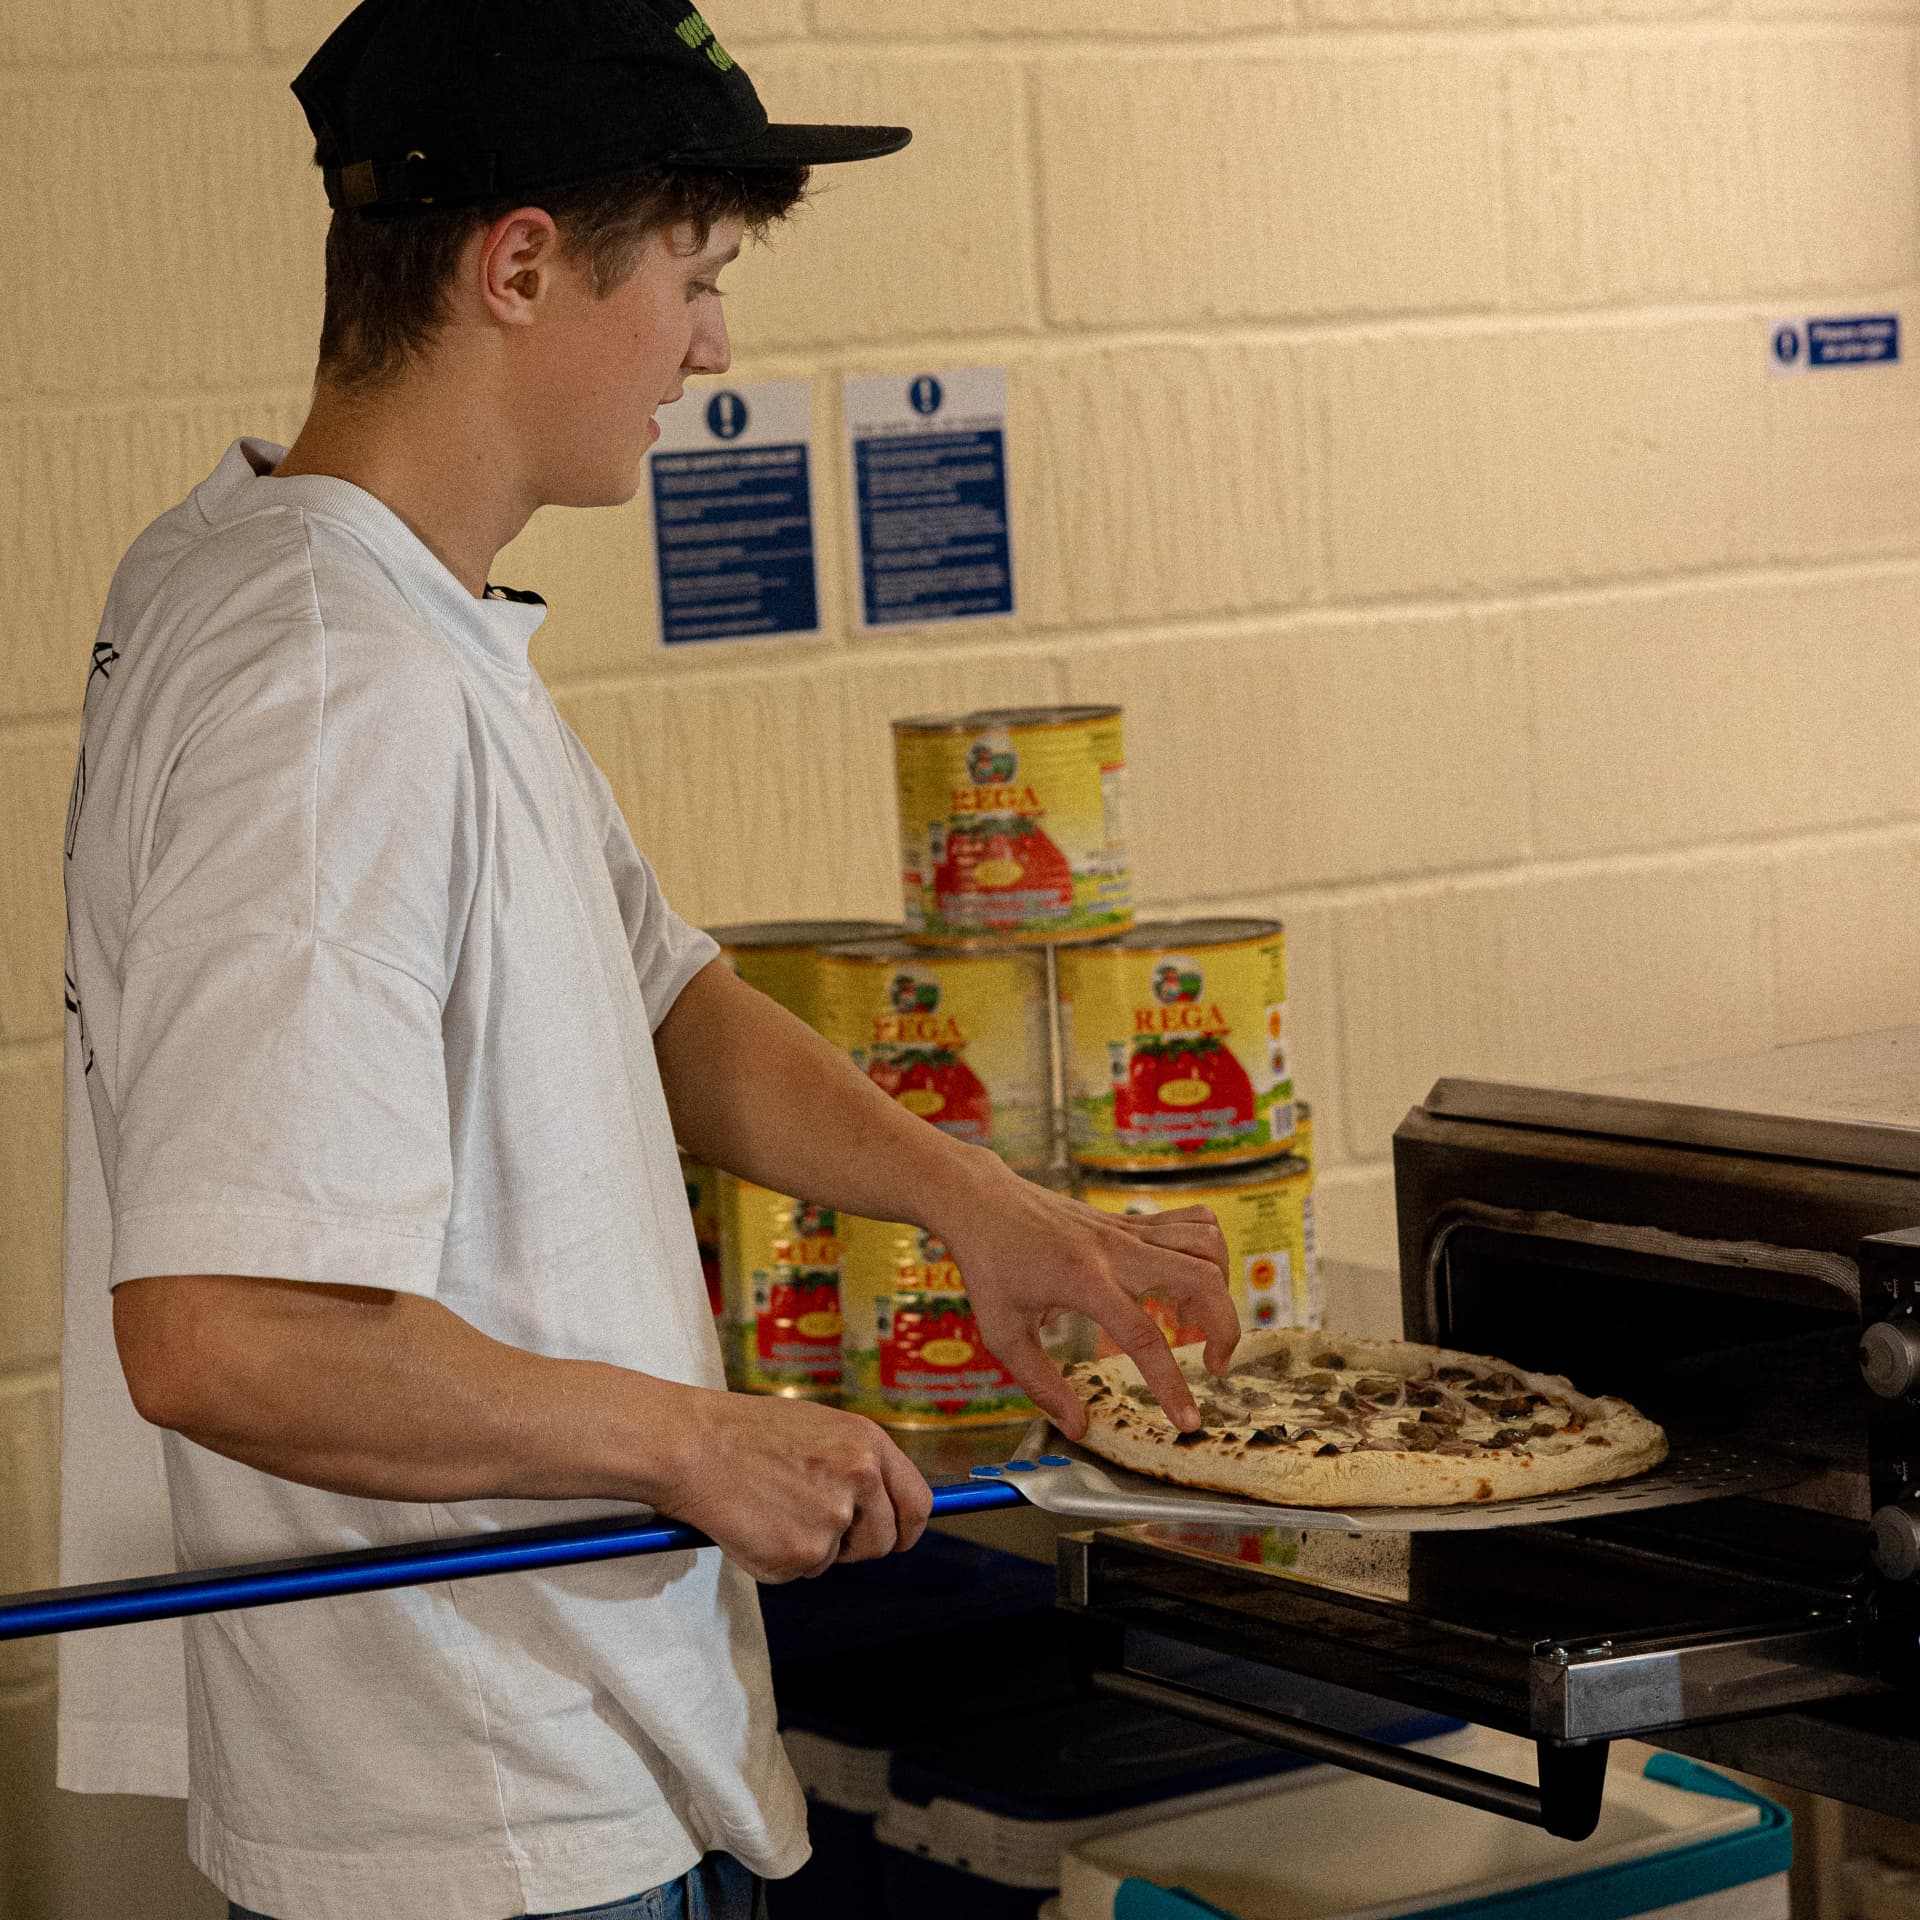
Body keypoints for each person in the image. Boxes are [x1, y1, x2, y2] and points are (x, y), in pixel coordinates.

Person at [57, 3, 1238, 1917]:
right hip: (486, 1796)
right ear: (519, 265)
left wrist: (985, 1208)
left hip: (551, 1754)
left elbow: (664, 997)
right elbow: (222, 1331)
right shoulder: (335, 688)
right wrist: (692, 1443)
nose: (714, 347)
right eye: (693, 277)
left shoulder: (317, 591)